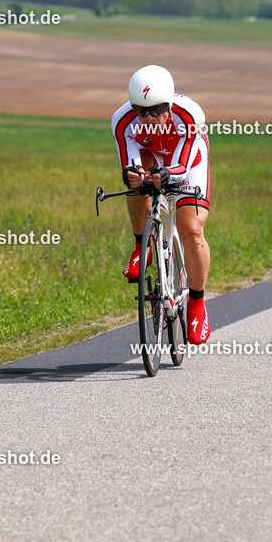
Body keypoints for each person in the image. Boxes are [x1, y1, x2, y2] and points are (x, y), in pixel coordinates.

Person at [110, 65, 213, 344]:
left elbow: (181, 166)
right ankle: (140, 248)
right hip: (150, 155)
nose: (148, 117)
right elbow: (128, 164)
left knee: (191, 228)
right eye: (141, 111)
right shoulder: (122, 121)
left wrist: (166, 175)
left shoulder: (190, 115)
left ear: (168, 104)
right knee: (137, 185)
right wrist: (134, 175)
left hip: (186, 160)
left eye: (156, 109)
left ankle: (196, 303)